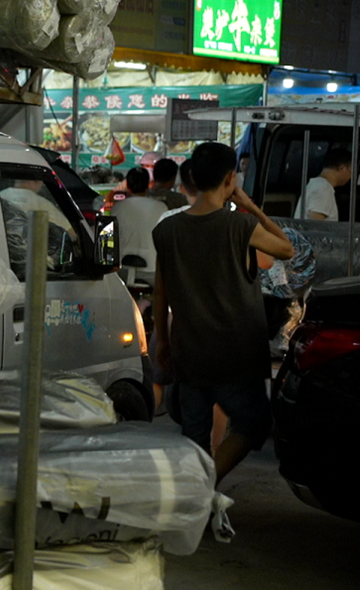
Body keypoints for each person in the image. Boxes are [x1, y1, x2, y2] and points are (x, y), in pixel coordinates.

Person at [151, 142, 294, 484]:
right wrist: (251, 207)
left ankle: (196, 496)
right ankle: (205, 486)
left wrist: (163, 344)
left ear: (191, 179)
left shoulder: (166, 231)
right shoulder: (240, 226)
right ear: (231, 178)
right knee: (253, 423)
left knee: (194, 434)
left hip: (189, 349)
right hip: (236, 354)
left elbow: (161, 293)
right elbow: (287, 249)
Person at [112, 167, 167, 276]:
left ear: (127, 186)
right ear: (148, 186)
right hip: (152, 271)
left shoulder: (117, 208)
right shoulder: (161, 208)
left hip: (122, 271)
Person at [293, 147, 352, 221]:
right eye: (351, 171)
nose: (351, 176)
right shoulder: (323, 189)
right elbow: (316, 227)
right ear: (342, 168)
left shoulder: (317, 185)